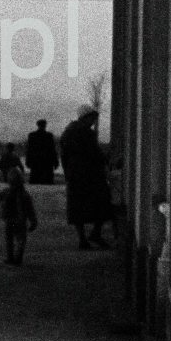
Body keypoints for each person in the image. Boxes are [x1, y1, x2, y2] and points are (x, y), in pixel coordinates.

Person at [59, 106, 111, 248]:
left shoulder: (67, 132)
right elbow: (93, 153)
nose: (94, 121)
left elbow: (64, 156)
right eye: (92, 118)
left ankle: (82, 239)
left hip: (74, 174)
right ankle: (96, 233)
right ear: (86, 117)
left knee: (77, 207)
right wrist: (105, 159)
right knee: (103, 201)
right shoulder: (87, 133)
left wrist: (67, 173)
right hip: (90, 174)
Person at [0, 166, 38, 265]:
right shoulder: (25, 195)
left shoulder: (7, 192)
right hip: (21, 221)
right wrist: (33, 221)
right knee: (21, 239)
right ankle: (18, 257)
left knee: (9, 240)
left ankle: (10, 257)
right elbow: (30, 210)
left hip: (9, 220)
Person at [24, 118, 59, 184]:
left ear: (37, 125)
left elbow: (29, 150)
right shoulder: (49, 136)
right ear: (45, 125)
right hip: (47, 162)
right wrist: (56, 162)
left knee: (35, 181)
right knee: (47, 182)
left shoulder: (32, 135)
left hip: (36, 162)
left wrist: (28, 161)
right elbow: (52, 150)